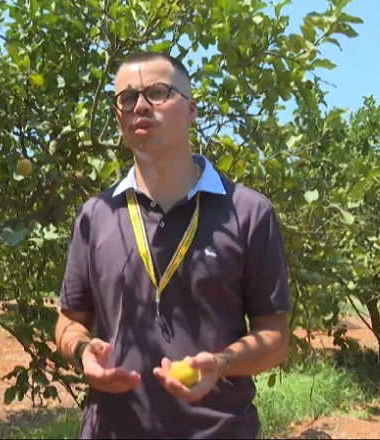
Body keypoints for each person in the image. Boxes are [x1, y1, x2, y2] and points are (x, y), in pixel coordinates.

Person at [54, 51, 292, 439]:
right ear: (118, 117)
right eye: (127, 99)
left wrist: (221, 362)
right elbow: (68, 320)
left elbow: (275, 338)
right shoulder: (94, 215)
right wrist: (82, 352)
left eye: (158, 92)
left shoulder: (248, 212)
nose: (141, 106)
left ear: (191, 109)